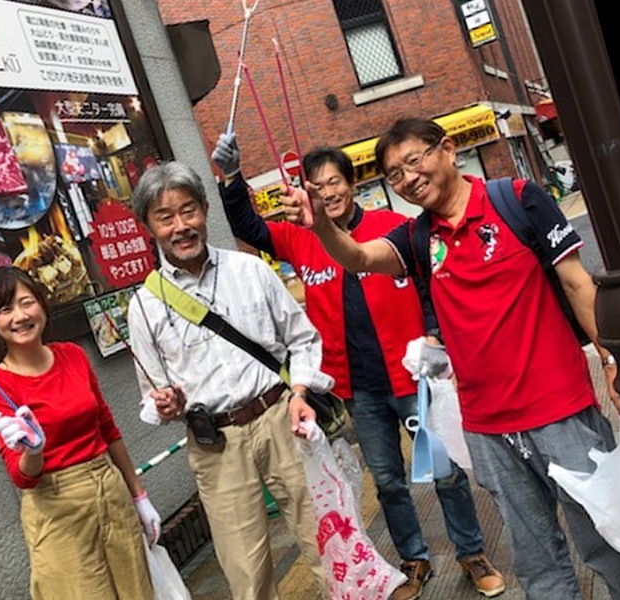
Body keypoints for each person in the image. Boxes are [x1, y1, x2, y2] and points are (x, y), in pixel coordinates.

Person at [277, 117, 620, 600]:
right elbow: (358, 257)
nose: (408, 178)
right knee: (537, 565)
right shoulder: (417, 237)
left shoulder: (517, 200)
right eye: (395, 174)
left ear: (447, 149)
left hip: (561, 410)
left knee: (611, 544)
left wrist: (612, 364)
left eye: (414, 160)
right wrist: (320, 225)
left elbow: (577, 284)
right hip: (487, 428)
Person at [211, 133, 506, 599]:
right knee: (387, 481)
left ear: (352, 184)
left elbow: (431, 284)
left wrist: (435, 334)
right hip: (358, 389)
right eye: (317, 186)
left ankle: (472, 553)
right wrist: (231, 177)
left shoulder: (394, 228)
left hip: (412, 378)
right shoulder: (301, 239)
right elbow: (247, 224)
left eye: (335, 182)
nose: (328, 192)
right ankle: (413, 558)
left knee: (446, 470)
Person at [124, 160, 333, 600]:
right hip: (214, 444)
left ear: (204, 209)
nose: (181, 226)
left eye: (188, 211)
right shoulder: (143, 306)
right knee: (246, 571)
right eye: (165, 217)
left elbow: (302, 339)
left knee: (327, 541)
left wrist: (299, 392)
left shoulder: (250, 270)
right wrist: (165, 406)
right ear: (148, 226)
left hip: (280, 417)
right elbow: (152, 396)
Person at [0, 265, 162, 600]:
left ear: (42, 305)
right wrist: (32, 450)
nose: (20, 316)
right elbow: (22, 477)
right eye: (5, 309)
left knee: (137, 591)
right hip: (56, 508)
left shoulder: (73, 355)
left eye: (27, 302)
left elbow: (107, 426)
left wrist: (139, 495)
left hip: (110, 488)